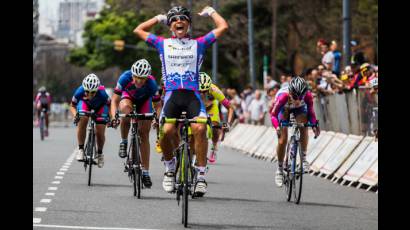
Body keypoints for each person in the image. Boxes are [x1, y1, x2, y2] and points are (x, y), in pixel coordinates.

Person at [133, 5, 228, 196]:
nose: (179, 21)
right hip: (172, 94)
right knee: (167, 131)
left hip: (192, 95)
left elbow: (223, 26)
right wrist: (158, 17)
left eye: (183, 18)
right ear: (170, 26)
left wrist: (211, 12)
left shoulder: (199, 43)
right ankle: (170, 169)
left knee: (200, 128)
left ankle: (200, 176)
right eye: (174, 19)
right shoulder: (162, 43)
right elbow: (138, 30)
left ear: (189, 25)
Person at [110, 59, 159, 188]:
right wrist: (114, 117)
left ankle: (146, 172)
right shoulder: (124, 78)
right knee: (126, 110)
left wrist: (157, 118)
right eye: (136, 77)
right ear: (132, 75)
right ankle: (124, 141)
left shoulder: (152, 83)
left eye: (142, 78)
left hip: (144, 102)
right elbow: (114, 100)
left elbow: (158, 105)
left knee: (144, 134)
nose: (138, 81)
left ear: (147, 78)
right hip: (129, 98)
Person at [270, 76, 320, 187]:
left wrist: (314, 124)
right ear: (290, 92)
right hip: (285, 108)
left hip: (299, 111)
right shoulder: (283, 97)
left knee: (303, 126)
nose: (298, 100)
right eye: (295, 96)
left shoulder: (307, 96)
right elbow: (273, 115)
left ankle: (304, 158)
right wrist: (277, 127)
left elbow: (311, 113)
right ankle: (279, 169)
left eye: (301, 97)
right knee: (282, 140)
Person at [70, 74, 110, 168]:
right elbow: (72, 105)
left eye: (93, 92)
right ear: (84, 89)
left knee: (100, 130)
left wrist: (110, 119)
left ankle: (100, 154)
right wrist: (76, 115)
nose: (90, 95)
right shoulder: (79, 91)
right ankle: (81, 149)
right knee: (82, 118)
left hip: (100, 107)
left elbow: (109, 105)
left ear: (97, 90)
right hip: (85, 105)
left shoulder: (103, 93)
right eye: (87, 92)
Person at [198, 72, 234, 163]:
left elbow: (230, 108)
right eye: (199, 91)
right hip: (198, 107)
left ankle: (214, 148)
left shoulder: (214, 90)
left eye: (205, 91)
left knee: (215, 127)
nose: (202, 93)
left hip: (211, 108)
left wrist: (228, 123)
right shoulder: (191, 89)